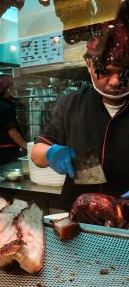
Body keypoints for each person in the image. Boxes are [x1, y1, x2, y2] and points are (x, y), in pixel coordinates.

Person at [31, 22, 129, 210]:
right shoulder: (70, 104)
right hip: (77, 213)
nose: (116, 82)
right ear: (88, 64)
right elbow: (37, 153)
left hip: (124, 216)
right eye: (106, 72)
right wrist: (52, 153)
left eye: (124, 72)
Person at [0, 76, 27, 165]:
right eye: (13, 87)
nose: (16, 90)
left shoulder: (3, 105)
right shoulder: (6, 108)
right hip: (8, 151)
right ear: (7, 89)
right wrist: (27, 146)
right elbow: (13, 133)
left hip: (5, 150)